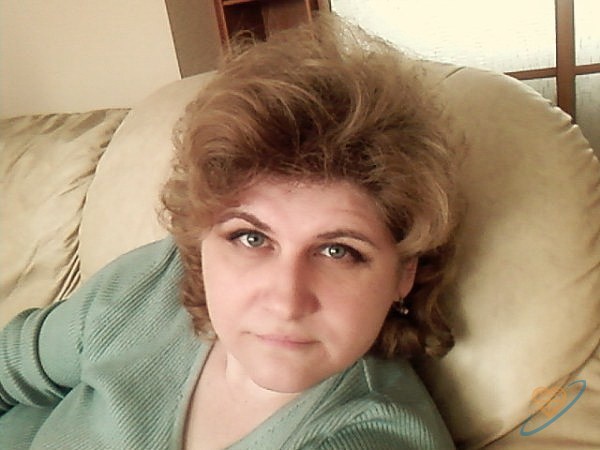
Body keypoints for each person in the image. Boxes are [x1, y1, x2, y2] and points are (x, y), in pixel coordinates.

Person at [0, 14, 458, 450]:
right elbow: (10, 369)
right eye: (251, 238)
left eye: (338, 251)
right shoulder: (147, 288)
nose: (286, 301)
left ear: (404, 273)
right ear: (201, 239)